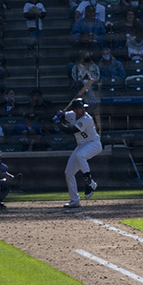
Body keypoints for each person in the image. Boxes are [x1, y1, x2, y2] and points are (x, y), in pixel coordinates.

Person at [56, 81, 100, 209]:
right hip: (81, 145)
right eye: (81, 108)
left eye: (84, 107)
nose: (83, 109)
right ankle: (75, 200)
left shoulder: (86, 119)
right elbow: (64, 116)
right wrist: (59, 116)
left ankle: (90, 182)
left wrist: (59, 123)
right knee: (68, 172)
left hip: (94, 144)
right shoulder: (72, 114)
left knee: (80, 156)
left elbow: (70, 131)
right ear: (75, 109)